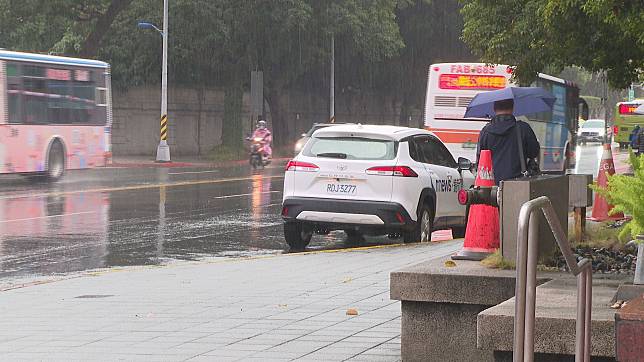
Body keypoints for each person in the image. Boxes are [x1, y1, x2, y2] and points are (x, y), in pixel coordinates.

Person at [476, 99, 540, 185]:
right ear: (513, 108)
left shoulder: (485, 131)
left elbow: (480, 160)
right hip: (519, 182)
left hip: (492, 186)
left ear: (494, 109)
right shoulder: (523, 128)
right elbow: (533, 152)